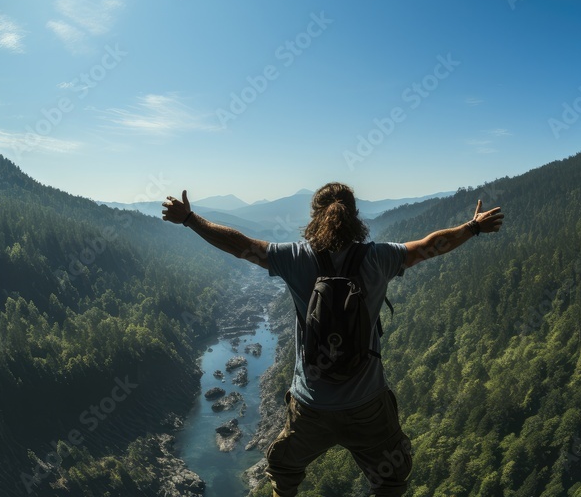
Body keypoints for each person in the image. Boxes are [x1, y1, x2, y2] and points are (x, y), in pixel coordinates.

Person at [162, 182, 504, 497]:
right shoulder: (381, 257)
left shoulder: (294, 257)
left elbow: (241, 247)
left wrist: (190, 219)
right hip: (367, 405)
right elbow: (432, 245)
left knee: (284, 468)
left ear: (315, 217)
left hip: (311, 405)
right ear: (355, 217)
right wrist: (472, 227)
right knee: (391, 477)